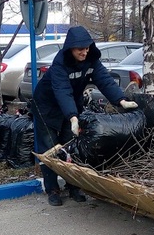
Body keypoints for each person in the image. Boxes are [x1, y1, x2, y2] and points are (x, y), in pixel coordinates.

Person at [31, 25, 138, 206]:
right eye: (80, 49)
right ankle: (53, 190)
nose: (85, 52)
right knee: (50, 147)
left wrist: (121, 100)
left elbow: (104, 80)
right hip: (46, 108)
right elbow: (62, 91)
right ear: (70, 48)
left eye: (87, 47)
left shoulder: (91, 60)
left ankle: (73, 186)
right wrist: (73, 117)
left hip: (71, 105)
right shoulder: (60, 65)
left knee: (70, 146)